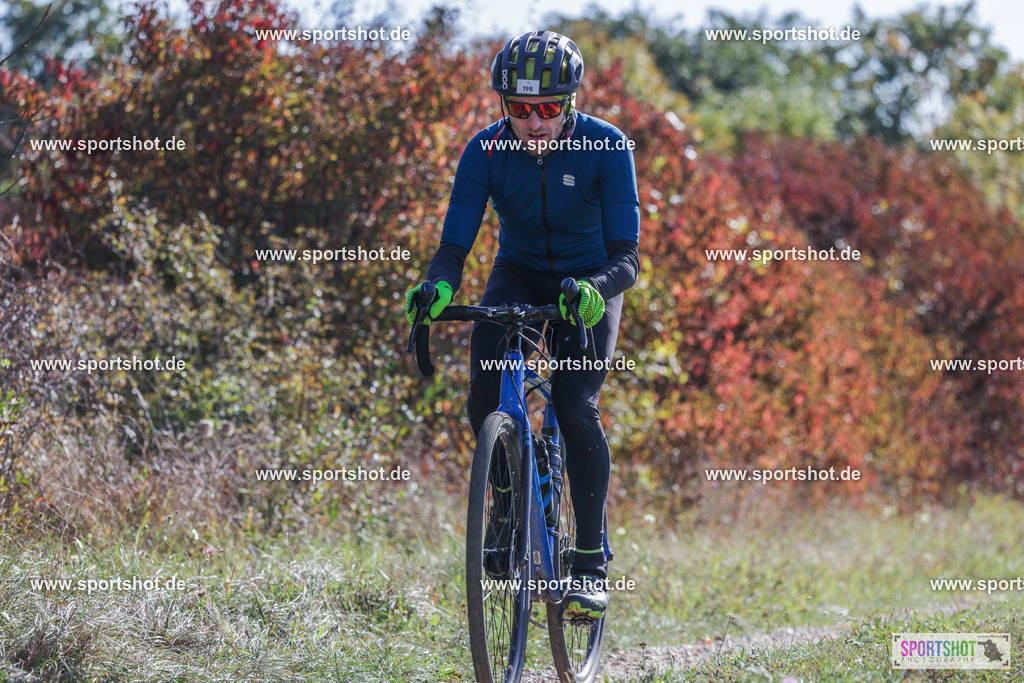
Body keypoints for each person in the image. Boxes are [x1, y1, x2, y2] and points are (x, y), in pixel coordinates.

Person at [405, 30, 640, 620]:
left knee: (572, 400)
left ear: (571, 104)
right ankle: (507, 506)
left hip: (588, 284)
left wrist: (595, 290)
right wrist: (437, 288)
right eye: (518, 109)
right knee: (485, 384)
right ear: (502, 107)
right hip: (519, 273)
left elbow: (628, 257)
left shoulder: (607, 148)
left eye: (548, 109)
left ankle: (589, 562)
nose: (534, 122)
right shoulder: (484, 152)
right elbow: (454, 247)